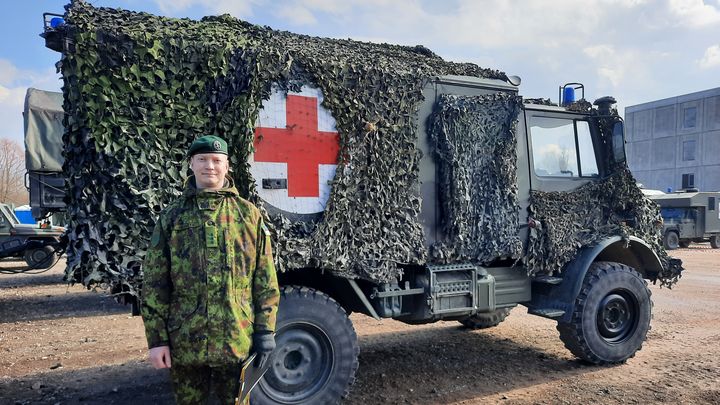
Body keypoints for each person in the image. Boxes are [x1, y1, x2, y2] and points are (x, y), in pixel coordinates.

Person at [141, 135, 280, 405]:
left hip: (237, 338)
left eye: (217, 160)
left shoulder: (248, 215)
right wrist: (157, 340)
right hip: (186, 341)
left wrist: (265, 332)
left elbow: (264, 277)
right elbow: (155, 281)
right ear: (191, 164)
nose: (210, 166)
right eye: (202, 159)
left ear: (227, 166)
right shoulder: (172, 216)